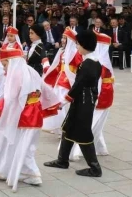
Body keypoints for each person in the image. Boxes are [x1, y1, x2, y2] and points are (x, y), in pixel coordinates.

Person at [0, 45, 60, 190]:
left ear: (12, 62)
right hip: (34, 113)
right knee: (22, 143)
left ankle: (31, 173)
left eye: (5, 65)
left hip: (24, 114)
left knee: (21, 144)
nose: (4, 69)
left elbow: (11, 97)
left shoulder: (16, 75)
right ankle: (9, 170)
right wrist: (55, 102)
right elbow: (45, 89)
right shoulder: (31, 71)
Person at [44, 29, 103, 178]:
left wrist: (63, 101)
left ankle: (95, 168)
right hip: (84, 100)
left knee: (83, 132)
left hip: (84, 101)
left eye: (78, 44)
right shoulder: (94, 62)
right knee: (68, 127)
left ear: (84, 45)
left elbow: (78, 86)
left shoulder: (88, 64)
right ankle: (62, 160)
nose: (76, 47)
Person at [70, 29, 114, 161]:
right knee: (95, 122)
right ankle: (96, 149)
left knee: (92, 123)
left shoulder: (98, 61)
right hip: (102, 93)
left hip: (100, 95)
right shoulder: (101, 60)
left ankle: (79, 150)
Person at [42, 28, 82, 135]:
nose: (63, 40)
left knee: (63, 104)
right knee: (57, 103)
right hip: (59, 81)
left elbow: (77, 69)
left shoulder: (75, 53)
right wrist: (48, 72)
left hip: (67, 82)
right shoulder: (62, 52)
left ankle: (65, 127)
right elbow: (57, 67)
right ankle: (58, 126)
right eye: (63, 38)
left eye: (65, 38)